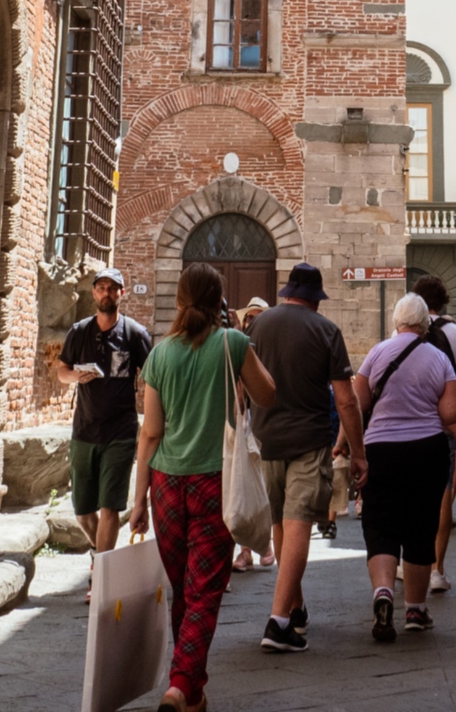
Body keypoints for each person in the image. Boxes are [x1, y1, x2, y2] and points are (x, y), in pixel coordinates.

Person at [128, 264, 278, 712]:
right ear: (220, 302)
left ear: (178, 300)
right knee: (205, 590)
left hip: (167, 485)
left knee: (183, 588)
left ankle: (191, 689)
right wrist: (235, 338)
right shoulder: (232, 342)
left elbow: (150, 433)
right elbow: (268, 394)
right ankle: (181, 684)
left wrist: (138, 499)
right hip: (218, 480)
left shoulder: (159, 354)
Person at [246, 264, 368, 652]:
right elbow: (346, 399)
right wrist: (358, 452)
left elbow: (243, 382)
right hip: (310, 441)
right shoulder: (326, 330)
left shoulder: (259, 326)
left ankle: (294, 607)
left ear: (287, 292)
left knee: (282, 524)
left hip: (266, 440)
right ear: (316, 298)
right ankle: (278, 621)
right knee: (298, 524)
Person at [353, 292, 456, 641]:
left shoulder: (376, 353)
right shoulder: (438, 357)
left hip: (380, 449)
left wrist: (346, 447)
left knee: (380, 526)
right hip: (426, 450)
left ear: (397, 322)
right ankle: (415, 609)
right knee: (420, 528)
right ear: (425, 324)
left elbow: (356, 405)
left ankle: (383, 593)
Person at [52, 268, 152, 578]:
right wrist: (75, 377)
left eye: (113, 288)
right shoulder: (79, 332)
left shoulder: (135, 334)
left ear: (122, 293)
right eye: (101, 288)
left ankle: (102, 577)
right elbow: (61, 370)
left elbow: (150, 379)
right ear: (94, 293)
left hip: (120, 432)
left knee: (110, 506)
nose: (106, 293)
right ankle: (104, 557)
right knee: (83, 512)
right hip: (84, 430)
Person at [410, 274, 456, 594]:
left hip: (412, 422)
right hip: (446, 424)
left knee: (411, 493)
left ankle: (409, 564)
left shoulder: (404, 331)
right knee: (443, 493)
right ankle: (436, 569)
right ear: (444, 299)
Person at [229, 298, 275, 574]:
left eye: (257, 318)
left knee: (261, 488)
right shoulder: (236, 346)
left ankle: (264, 543)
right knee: (241, 485)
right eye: (249, 318)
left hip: (265, 424)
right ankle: (245, 552)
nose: (252, 322)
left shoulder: (269, 348)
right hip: (241, 423)